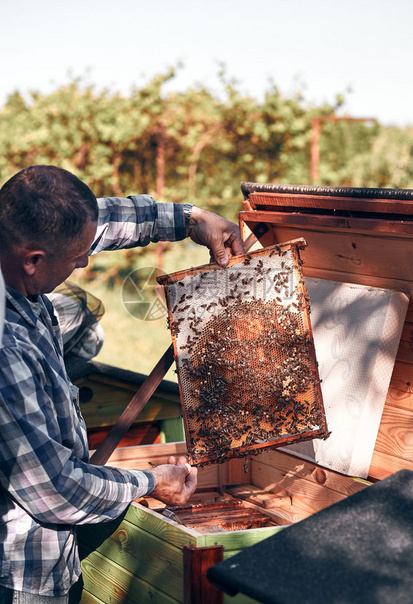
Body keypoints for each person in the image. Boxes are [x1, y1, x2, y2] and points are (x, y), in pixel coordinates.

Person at [0, 165, 244, 603]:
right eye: (76, 257)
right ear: (33, 261)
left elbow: (95, 223)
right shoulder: (4, 349)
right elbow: (56, 490)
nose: (85, 260)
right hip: (20, 578)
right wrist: (150, 482)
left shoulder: (16, 239)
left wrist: (190, 218)